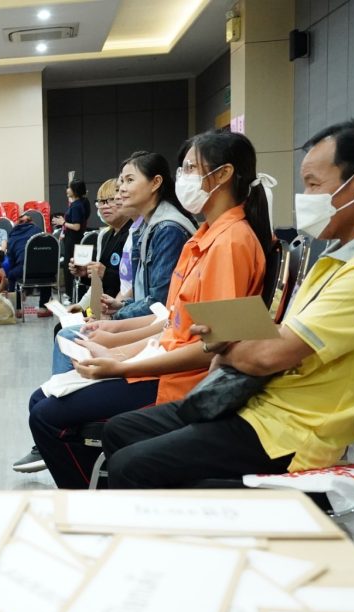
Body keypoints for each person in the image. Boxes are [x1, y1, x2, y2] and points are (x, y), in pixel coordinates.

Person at [101, 120, 354, 489]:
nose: (305, 196)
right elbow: (254, 339)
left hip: (290, 434)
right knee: (120, 431)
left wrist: (224, 347)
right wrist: (233, 344)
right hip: (260, 405)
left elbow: (264, 354)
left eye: (314, 184)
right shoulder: (343, 258)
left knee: (130, 464)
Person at [21, 131, 270, 488]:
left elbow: (211, 350)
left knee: (47, 417)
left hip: (179, 382)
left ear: (223, 174)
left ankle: (87, 504)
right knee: (41, 401)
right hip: (162, 365)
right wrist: (118, 348)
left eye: (188, 169)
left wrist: (122, 364)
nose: (181, 179)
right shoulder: (204, 238)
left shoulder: (230, 243)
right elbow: (174, 322)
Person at [46, 179, 135, 376]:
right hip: (101, 307)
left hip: (118, 311)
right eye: (100, 202)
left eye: (110, 200)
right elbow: (100, 282)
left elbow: (129, 285)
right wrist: (82, 299)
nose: (104, 207)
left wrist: (102, 274)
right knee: (63, 326)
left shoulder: (133, 235)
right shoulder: (105, 235)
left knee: (67, 333)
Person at [98, 151, 195, 321]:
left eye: (130, 180)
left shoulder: (168, 229)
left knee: (71, 335)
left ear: (155, 182)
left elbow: (160, 304)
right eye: (122, 181)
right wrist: (122, 306)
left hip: (161, 327)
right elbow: (146, 296)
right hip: (150, 323)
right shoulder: (146, 227)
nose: (121, 188)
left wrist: (115, 319)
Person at [5, 209, 52, 317]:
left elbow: (11, 259)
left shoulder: (13, 236)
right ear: (31, 222)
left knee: (12, 275)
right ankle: (43, 309)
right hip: (43, 272)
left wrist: (12, 270)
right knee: (47, 271)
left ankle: (17, 309)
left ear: (18, 223)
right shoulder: (40, 231)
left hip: (24, 271)